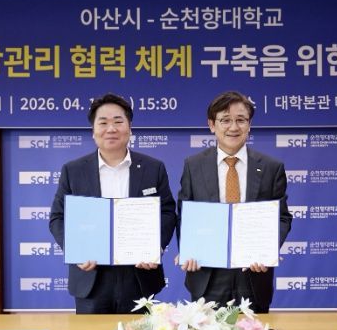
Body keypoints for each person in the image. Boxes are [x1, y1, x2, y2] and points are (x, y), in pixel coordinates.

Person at [49, 93, 176, 314]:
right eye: (103, 123)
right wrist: (75, 250)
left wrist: (155, 247)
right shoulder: (73, 170)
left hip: (139, 275)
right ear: (93, 130)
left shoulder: (153, 168)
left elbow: (167, 212)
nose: (111, 129)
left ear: (130, 128)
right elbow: (57, 218)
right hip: (91, 278)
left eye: (118, 121)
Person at [177, 91, 292, 313]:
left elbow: (282, 217)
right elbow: (185, 215)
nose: (233, 127)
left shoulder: (271, 167)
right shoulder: (194, 165)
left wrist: (266, 250)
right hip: (207, 275)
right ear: (212, 125)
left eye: (241, 120)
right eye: (225, 120)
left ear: (249, 125)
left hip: (253, 275)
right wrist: (188, 249)